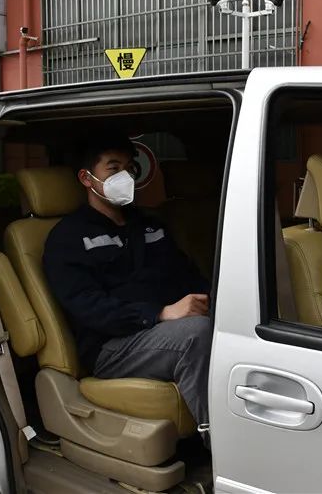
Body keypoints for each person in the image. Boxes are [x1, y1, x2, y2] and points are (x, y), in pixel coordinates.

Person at [43, 136, 212, 427]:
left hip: (164, 330)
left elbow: (187, 274)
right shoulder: (69, 238)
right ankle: (222, 442)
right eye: (113, 168)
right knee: (196, 334)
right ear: (86, 178)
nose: (125, 176)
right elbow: (88, 306)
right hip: (112, 345)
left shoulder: (149, 225)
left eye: (130, 168)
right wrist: (159, 313)